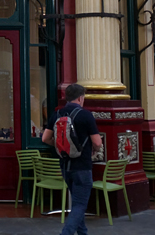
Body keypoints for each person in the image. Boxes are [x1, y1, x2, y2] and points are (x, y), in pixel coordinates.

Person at [42, 84, 102, 235]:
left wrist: (58, 145)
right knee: (80, 204)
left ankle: (83, 233)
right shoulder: (85, 115)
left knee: (76, 202)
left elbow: (45, 138)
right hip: (82, 166)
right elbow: (97, 142)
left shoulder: (57, 114)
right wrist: (94, 149)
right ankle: (66, 233)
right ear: (81, 98)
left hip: (65, 166)